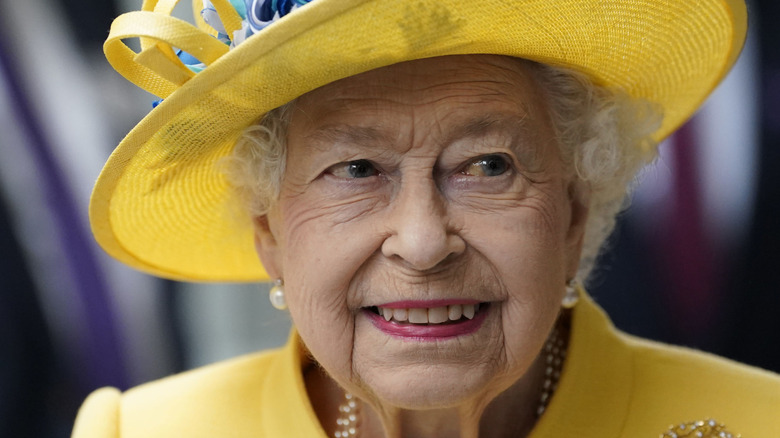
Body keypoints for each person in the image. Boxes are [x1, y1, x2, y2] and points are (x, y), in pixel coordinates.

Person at [72, 0, 780, 437]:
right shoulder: (140, 433)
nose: (421, 242)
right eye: (356, 170)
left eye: (487, 165)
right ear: (270, 233)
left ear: (572, 212)